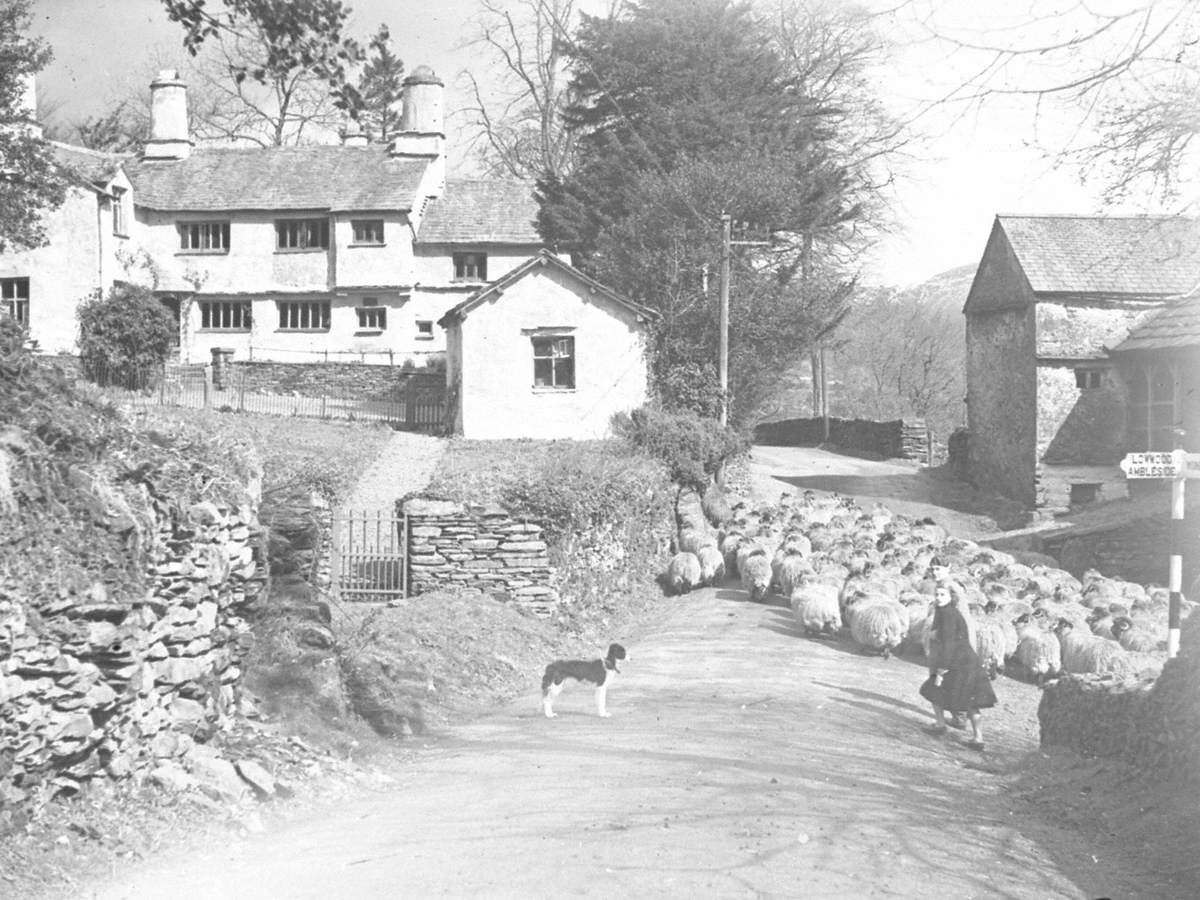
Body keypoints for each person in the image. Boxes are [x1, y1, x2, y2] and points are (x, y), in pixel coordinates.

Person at [920, 584, 996, 750]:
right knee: (970, 698)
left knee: (933, 688)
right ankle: (978, 738)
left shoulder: (947, 614)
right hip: (967, 659)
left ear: (951, 597)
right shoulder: (951, 612)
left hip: (956, 661)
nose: (938, 597)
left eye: (942, 594)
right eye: (937, 594)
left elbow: (949, 643)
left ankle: (940, 725)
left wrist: (942, 668)